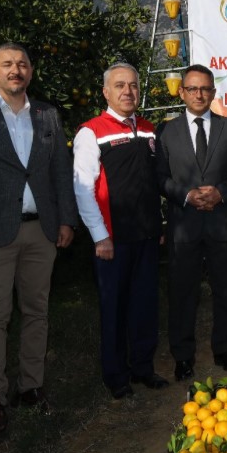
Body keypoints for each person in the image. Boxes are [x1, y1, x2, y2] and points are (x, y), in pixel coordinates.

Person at [0, 43, 78, 441]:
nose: (15, 69)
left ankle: (30, 387)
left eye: (22, 63)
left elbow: (61, 171)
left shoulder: (47, 114)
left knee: (37, 311)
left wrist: (66, 220)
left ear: (31, 71)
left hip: (41, 230)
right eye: (7, 64)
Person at [72, 63, 168, 398]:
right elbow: (83, 188)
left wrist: (157, 224)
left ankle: (144, 368)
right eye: (119, 85)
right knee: (114, 308)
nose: (127, 91)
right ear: (106, 92)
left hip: (146, 235)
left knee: (144, 306)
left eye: (133, 85)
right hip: (113, 240)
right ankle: (116, 377)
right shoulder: (91, 131)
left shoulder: (148, 129)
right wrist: (100, 236)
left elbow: (152, 183)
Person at [156, 65, 227, 381]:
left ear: (213, 92)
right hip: (184, 227)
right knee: (183, 295)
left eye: (205, 88)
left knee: (225, 291)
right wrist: (186, 195)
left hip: (222, 225)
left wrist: (220, 192)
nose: (199, 94)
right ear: (182, 92)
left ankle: (224, 350)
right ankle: (182, 357)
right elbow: (160, 177)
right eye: (192, 88)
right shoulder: (166, 131)